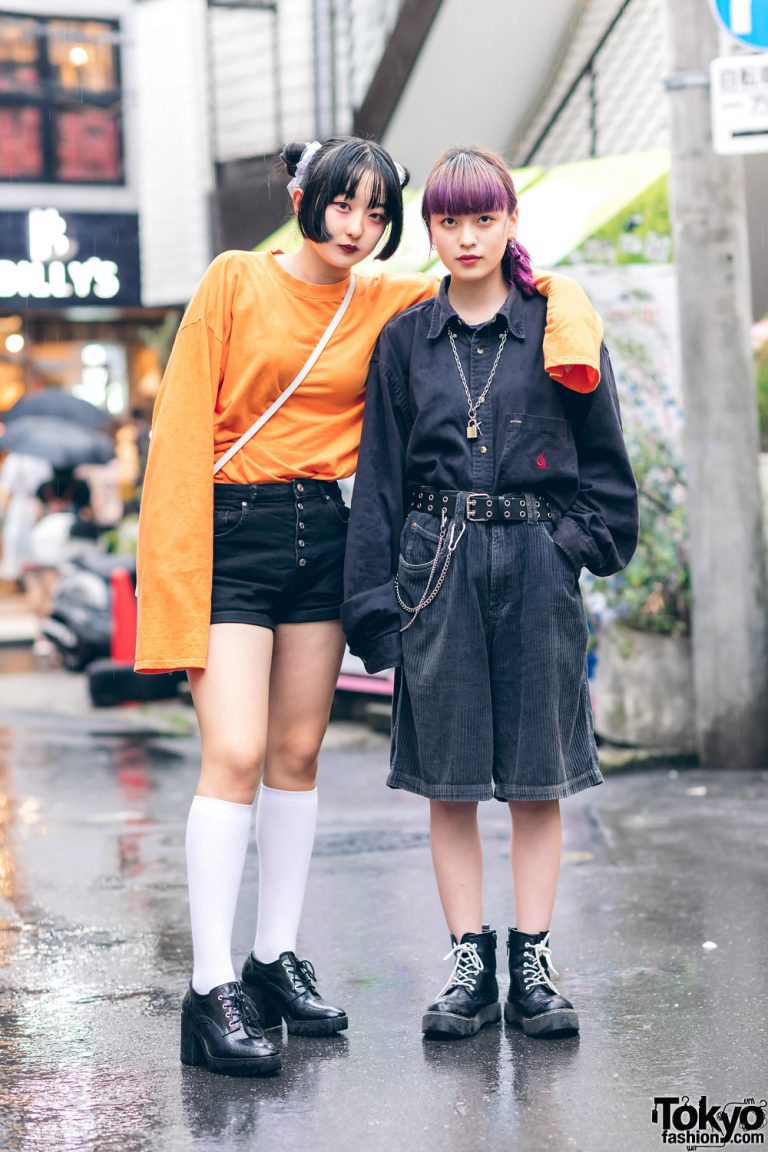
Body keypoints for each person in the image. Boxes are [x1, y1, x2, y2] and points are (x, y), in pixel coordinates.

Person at [135, 136, 605, 1077]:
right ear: (304, 198)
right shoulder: (234, 280)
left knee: (297, 754)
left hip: (323, 532)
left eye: (379, 214)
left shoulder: (387, 301)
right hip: (231, 534)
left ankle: (272, 958)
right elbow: (181, 432)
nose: (358, 228)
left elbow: (518, 288)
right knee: (232, 754)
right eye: (342, 206)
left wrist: (576, 311)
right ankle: (212, 983)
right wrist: (173, 579)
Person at [342, 147, 638, 1041]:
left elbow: (607, 470)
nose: (466, 237)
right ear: (427, 229)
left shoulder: (560, 322)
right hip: (438, 560)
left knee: (539, 782)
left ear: (510, 222)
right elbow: (381, 479)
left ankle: (534, 965)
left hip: (535, 558)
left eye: (483, 218)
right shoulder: (406, 338)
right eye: (448, 220)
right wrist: (377, 609)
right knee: (452, 781)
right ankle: (470, 970)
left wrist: (567, 548)